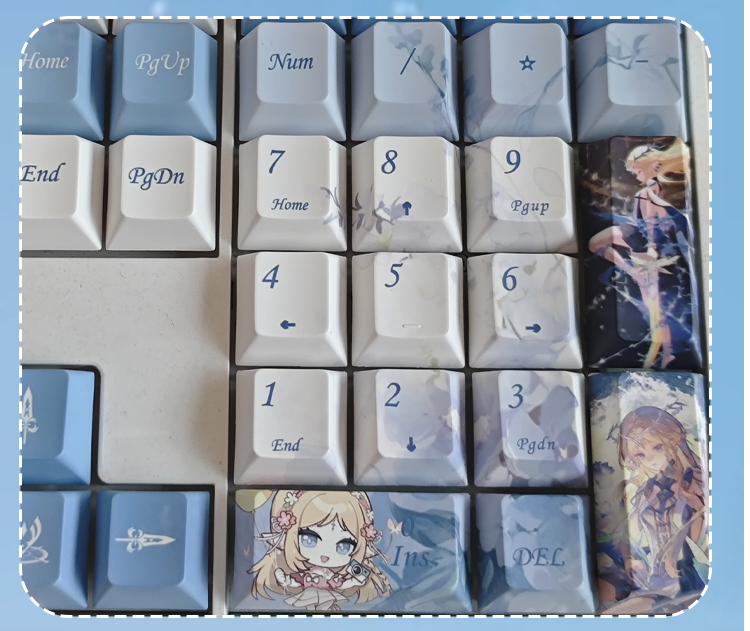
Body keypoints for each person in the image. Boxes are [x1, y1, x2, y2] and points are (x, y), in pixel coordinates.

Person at [588, 141, 694, 368]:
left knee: (656, 307)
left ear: (652, 166)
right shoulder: (647, 195)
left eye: (636, 170)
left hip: (655, 253)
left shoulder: (650, 196)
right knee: (655, 306)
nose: (635, 175)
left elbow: (655, 231)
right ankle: (665, 352)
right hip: (644, 245)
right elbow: (645, 228)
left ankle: (666, 352)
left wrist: (650, 257)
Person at [600, 405, 707, 613]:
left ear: (673, 441)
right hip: (647, 576)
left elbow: (702, 540)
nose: (650, 460)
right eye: (640, 454)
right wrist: (630, 559)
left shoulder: (696, 484)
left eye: (658, 447)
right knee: (598, 593)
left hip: (684, 580)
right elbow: (624, 536)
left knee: (611, 615)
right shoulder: (644, 491)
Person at [249, 490, 391, 611]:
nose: (325, 556)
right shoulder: (306, 576)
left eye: (343, 546)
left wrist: (357, 579)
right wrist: (284, 579)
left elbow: (344, 583)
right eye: (309, 539)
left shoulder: (332, 577)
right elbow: (295, 581)